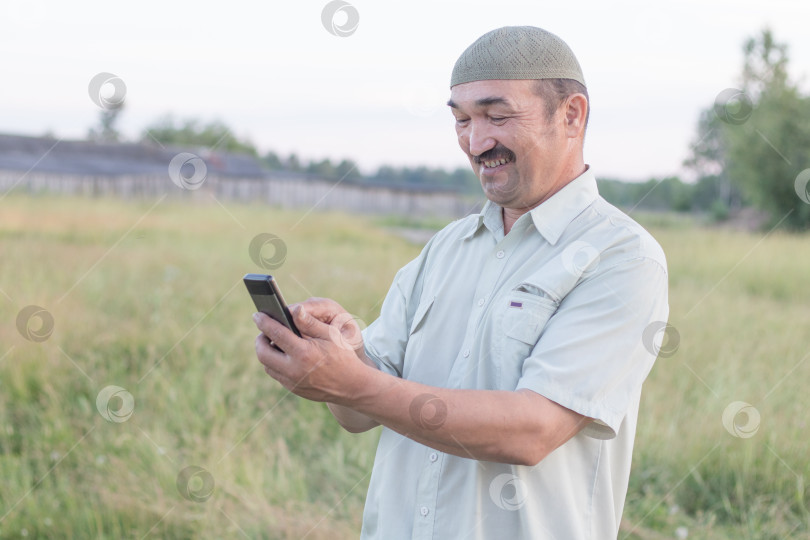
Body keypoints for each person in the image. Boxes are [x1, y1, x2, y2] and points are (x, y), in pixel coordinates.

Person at [254, 25, 669, 540]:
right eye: (461, 120)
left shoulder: (622, 257)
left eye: (497, 116)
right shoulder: (446, 248)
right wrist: (344, 355)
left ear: (571, 114)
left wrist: (356, 383)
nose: (477, 142)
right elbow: (357, 415)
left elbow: (533, 430)